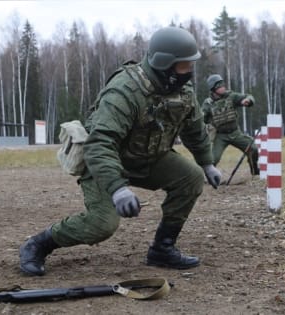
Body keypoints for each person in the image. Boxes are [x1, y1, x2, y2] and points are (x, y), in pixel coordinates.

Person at [19, 26, 222, 276]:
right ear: (165, 65)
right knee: (102, 225)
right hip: (104, 162)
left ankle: (162, 249)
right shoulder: (125, 91)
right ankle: (39, 244)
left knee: (190, 178)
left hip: (147, 158)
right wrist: (117, 188)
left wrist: (207, 162)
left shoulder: (181, 91)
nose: (189, 72)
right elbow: (99, 143)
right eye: (184, 65)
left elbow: (195, 128)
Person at [201, 74, 259, 176]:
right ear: (214, 88)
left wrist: (248, 101)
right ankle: (208, 177)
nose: (223, 87)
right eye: (220, 85)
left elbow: (248, 96)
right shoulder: (208, 103)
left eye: (223, 84)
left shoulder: (232, 96)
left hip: (235, 133)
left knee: (253, 149)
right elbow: (202, 119)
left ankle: (254, 169)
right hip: (220, 136)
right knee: (213, 159)